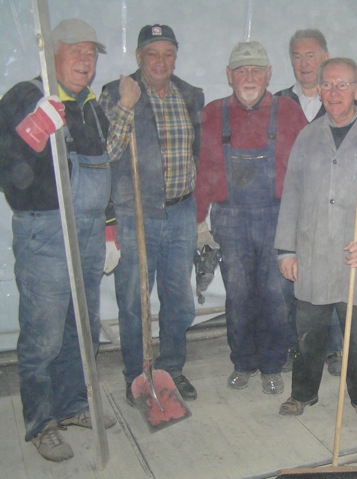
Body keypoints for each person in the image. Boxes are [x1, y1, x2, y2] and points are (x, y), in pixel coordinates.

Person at [0, 18, 116, 462]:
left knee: (80, 330)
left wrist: (109, 227)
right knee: (44, 336)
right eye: (75, 51)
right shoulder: (25, 96)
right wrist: (32, 131)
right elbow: (4, 165)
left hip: (88, 232)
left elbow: (103, 168)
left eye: (90, 53)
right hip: (45, 232)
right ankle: (41, 422)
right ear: (52, 55)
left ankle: (72, 405)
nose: (85, 60)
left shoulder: (90, 105)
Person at [276, 58, 357, 423]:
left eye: (342, 85)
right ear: (319, 90)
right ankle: (303, 394)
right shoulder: (308, 136)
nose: (334, 92)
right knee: (308, 335)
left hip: (354, 256)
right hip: (312, 253)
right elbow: (292, 194)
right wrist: (286, 250)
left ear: (356, 89)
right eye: (327, 85)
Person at [194, 41, 307, 395]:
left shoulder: (289, 112)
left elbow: (307, 169)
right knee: (239, 296)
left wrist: (305, 221)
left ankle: (272, 365)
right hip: (230, 219)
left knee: (276, 296)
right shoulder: (214, 113)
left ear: (269, 74)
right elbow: (203, 169)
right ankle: (243, 362)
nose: (249, 77)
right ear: (229, 75)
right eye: (241, 71)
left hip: (278, 217)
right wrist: (199, 223)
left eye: (256, 70)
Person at [99, 24, 204, 405]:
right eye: (152, 54)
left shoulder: (190, 94)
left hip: (181, 211)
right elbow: (107, 153)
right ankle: (137, 375)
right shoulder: (116, 93)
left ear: (175, 57)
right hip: (136, 213)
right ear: (139, 56)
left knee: (179, 299)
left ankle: (171, 369)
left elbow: (197, 152)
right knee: (134, 301)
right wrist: (126, 106)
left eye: (168, 54)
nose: (161, 62)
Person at [274, 28, 343, 376]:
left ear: (325, 57)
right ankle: (295, 346)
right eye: (297, 57)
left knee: (329, 278)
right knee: (289, 280)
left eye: (310, 56)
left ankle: (333, 348)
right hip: (288, 207)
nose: (303, 64)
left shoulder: (340, 103)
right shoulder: (277, 103)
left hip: (330, 208)